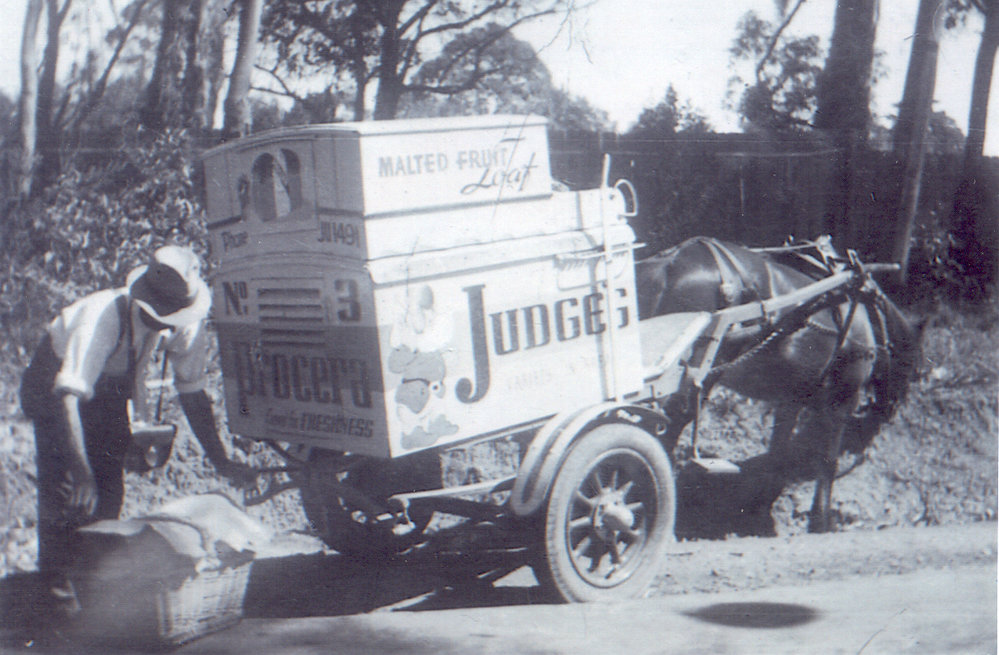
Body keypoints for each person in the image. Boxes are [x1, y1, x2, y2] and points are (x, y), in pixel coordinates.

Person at [19, 244, 254, 611]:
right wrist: (81, 473)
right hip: (55, 384)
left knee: (109, 487)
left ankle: (96, 588)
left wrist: (220, 460)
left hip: (110, 388)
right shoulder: (102, 318)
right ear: (145, 302)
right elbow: (68, 396)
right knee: (68, 491)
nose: (168, 324)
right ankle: (57, 598)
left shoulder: (187, 320)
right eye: (160, 316)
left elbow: (192, 394)